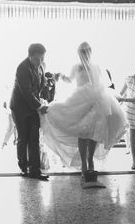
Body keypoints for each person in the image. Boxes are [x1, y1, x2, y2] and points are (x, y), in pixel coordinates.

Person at [40, 42, 128, 180]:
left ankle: (90, 160)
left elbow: (101, 84)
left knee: (94, 133)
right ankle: (84, 165)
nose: (83, 55)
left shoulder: (97, 67)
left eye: (85, 52)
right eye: (81, 53)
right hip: (80, 101)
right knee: (82, 132)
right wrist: (60, 76)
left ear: (90, 53)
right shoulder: (76, 67)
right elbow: (69, 80)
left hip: (97, 102)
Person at [9, 43, 49, 181]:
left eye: (42, 59)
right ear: (30, 56)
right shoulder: (22, 68)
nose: (40, 62)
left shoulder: (40, 67)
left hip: (32, 107)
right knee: (23, 138)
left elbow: (39, 87)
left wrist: (43, 101)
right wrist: (39, 106)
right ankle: (23, 168)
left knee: (34, 138)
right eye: (37, 59)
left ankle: (35, 170)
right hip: (20, 107)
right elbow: (26, 91)